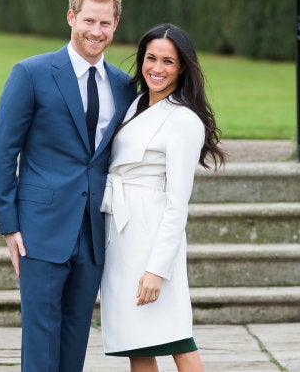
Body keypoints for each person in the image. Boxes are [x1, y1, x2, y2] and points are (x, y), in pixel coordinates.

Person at [0, 0, 135, 371]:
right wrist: (9, 224)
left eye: (105, 23)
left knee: (76, 337)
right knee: (40, 337)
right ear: (71, 17)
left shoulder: (123, 86)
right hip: (39, 228)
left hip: (93, 232)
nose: (96, 31)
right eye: (89, 20)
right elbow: (3, 151)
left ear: (116, 24)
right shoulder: (31, 73)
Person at [99, 23, 226, 371]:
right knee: (136, 342)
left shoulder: (183, 120)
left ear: (182, 66)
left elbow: (177, 201)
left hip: (152, 235)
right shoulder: (134, 103)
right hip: (120, 234)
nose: (157, 68)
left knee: (176, 338)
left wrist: (157, 269)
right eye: (151, 58)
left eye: (168, 61)